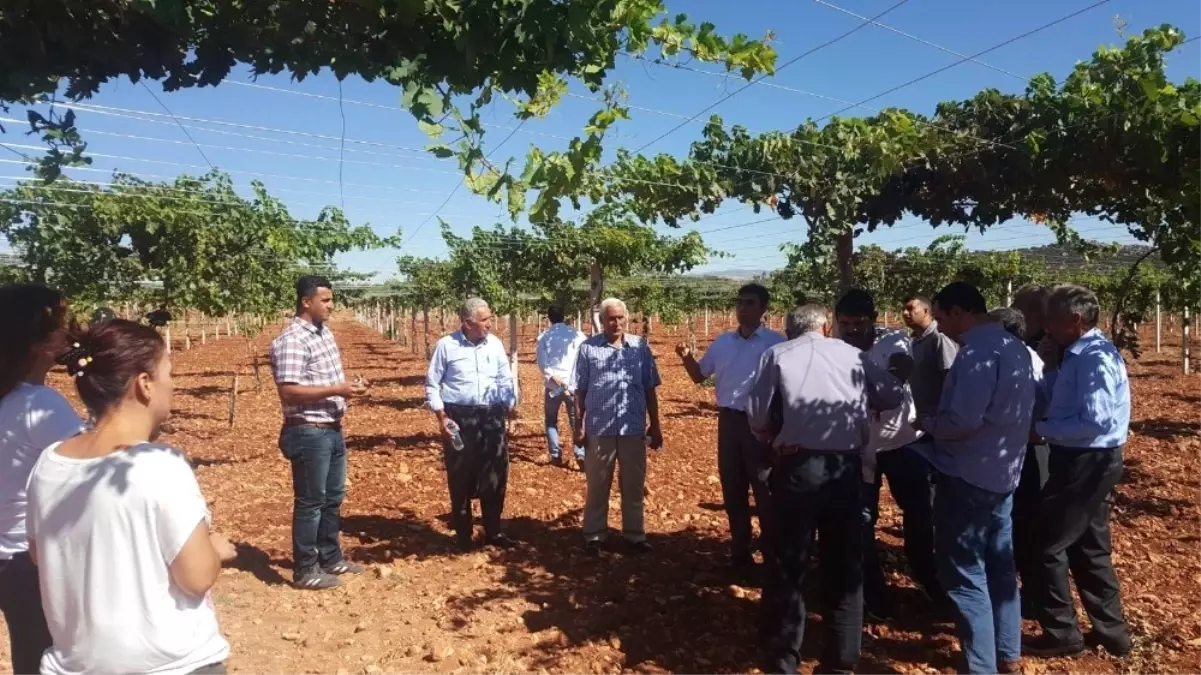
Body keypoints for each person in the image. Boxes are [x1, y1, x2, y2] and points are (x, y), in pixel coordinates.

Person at [26, 318, 237, 674]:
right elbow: (197, 576)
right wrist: (213, 549)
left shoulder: (50, 461)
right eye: (168, 372)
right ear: (144, 385)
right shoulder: (159, 464)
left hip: (75, 665)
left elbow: (39, 554)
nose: (172, 383)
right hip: (171, 665)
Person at [748, 304, 905, 675]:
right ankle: (841, 661)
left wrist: (772, 438)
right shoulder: (854, 355)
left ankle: (782, 661)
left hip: (798, 468)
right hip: (845, 469)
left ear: (791, 330)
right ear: (825, 326)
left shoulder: (777, 355)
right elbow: (892, 395)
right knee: (844, 566)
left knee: (789, 565)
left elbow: (756, 413)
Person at [918, 282, 1035, 675]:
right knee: (1000, 567)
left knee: (966, 575)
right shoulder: (1016, 348)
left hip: (967, 475)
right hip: (1003, 475)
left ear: (956, 312)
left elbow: (964, 421)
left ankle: (980, 666)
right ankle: (1008, 654)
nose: (939, 324)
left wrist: (928, 423)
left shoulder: (978, 354)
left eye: (939, 315)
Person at [1024, 285, 1133, 658]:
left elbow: (1095, 421)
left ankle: (1061, 633)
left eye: (1050, 320)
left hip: (1087, 460)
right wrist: (1052, 368)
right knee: (1089, 547)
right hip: (1085, 460)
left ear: (1075, 319)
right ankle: (1112, 632)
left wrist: (1041, 432)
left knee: (1046, 545)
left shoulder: (1093, 358)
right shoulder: (1078, 354)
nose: (1045, 327)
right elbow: (1065, 405)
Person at [836, 290, 939, 617]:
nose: (851, 329)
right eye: (845, 324)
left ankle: (929, 580)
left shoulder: (894, 341)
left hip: (902, 443)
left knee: (920, 514)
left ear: (873, 318)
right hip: (860, 448)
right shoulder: (836, 350)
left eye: (857, 323)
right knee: (862, 521)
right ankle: (874, 596)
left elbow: (899, 375)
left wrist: (868, 372)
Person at [0, 285, 86, 675]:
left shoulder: (13, 396)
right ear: (38, 344)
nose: (67, 334)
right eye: (58, 328)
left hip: (7, 550)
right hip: (27, 559)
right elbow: (97, 461)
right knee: (40, 654)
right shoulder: (40, 405)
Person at [675, 283, 785, 572]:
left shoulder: (776, 344)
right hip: (728, 422)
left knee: (765, 489)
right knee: (733, 488)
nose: (742, 308)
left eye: (749, 303)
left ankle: (773, 555)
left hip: (761, 424)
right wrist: (686, 357)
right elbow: (699, 376)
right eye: (739, 303)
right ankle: (740, 552)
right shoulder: (722, 343)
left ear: (763, 309)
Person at [269, 275, 368, 590]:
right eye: (325, 300)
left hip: (331, 428)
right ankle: (305, 569)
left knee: (332, 498)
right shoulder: (293, 340)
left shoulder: (324, 334)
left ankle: (330, 557)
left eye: (331, 299)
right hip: (308, 432)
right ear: (306, 302)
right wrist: (338, 388)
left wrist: (349, 388)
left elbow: (322, 380)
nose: (331, 305)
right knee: (311, 501)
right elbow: (289, 391)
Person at [572, 297, 663, 555]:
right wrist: (579, 425)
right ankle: (594, 535)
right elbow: (580, 390)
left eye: (621, 317)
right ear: (601, 320)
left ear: (627, 318)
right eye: (611, 318)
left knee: (633, 484)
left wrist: (655, 425)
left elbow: (649, 388)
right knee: (598, 484)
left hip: (632, 427)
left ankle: (635, 535)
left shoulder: (639, 347)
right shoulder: (588, 349)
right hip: (599, 428)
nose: (617, 322)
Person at [425, 297, 517, 550]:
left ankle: (493, 531)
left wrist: (509, 405)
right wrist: (442, 417)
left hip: (491, 416)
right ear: (468, 323)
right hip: (459, 417)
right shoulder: (446, 346)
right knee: (461, 473)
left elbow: (504, 378)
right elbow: (433, 384)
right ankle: (463, 534)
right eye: (485, 320)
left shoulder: (495, 345)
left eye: (490, 318)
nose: (490, 323)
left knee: (495, 474)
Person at [990, 306, 1051, 619]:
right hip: (1017, 447)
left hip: (1027, 449)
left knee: (1027, 523)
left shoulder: (1025, 359)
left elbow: (1041, 405)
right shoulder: (1018, 357)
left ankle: (1034, 596)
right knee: (1016, 523)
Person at [535, 305, 586, 465]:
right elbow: (583, 358)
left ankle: (556, 455)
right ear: (564, 316)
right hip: (573, 386)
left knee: (551, 421)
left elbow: (542, 364)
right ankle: (580, 454)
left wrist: (553, 377)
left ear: (549, 318)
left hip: (553, 387)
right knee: (576, 420)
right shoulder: (577, 335)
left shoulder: (544, 337)